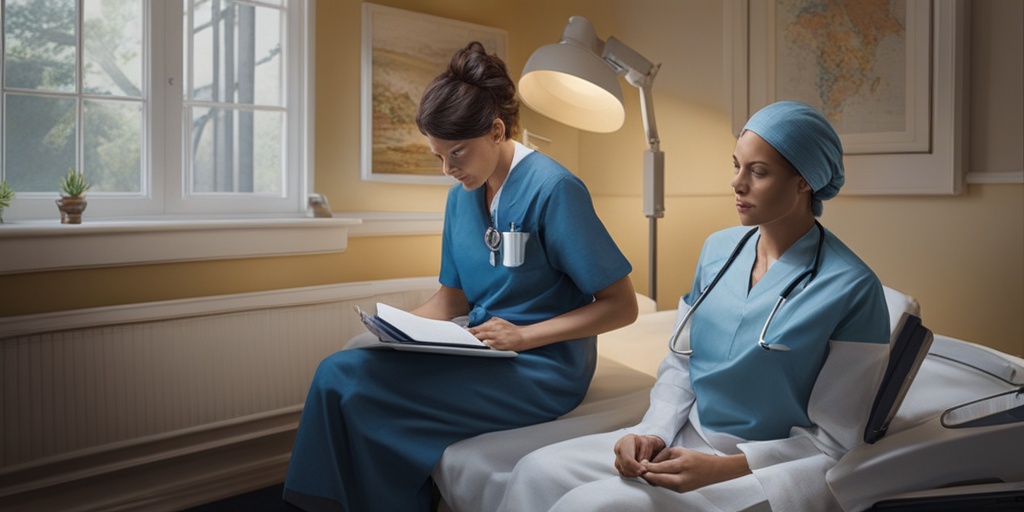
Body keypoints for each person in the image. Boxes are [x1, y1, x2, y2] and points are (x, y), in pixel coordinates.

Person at [282, 41, 638, 512]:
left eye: (456, 154)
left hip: (543, 368)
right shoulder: (461, 197)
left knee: (354, 383)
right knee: (342, 367)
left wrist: (525, 336)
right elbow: (451, 300)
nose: (447, 170)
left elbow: (622, 305)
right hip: (480, 348)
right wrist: (395, 331)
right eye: (437, 157)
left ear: (496, 130)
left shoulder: (555, 190)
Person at [496, 101, 892, 512]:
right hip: (684, 436)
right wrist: (652, 433)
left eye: (758, 172)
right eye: (736, 166)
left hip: (760, 467)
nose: (738, 184)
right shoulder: (718, 251)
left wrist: (722, 469)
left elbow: (833, 441)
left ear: (804, 182)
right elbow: (682, 363)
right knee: (535, 470)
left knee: (592, 505)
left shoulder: (852, 287)